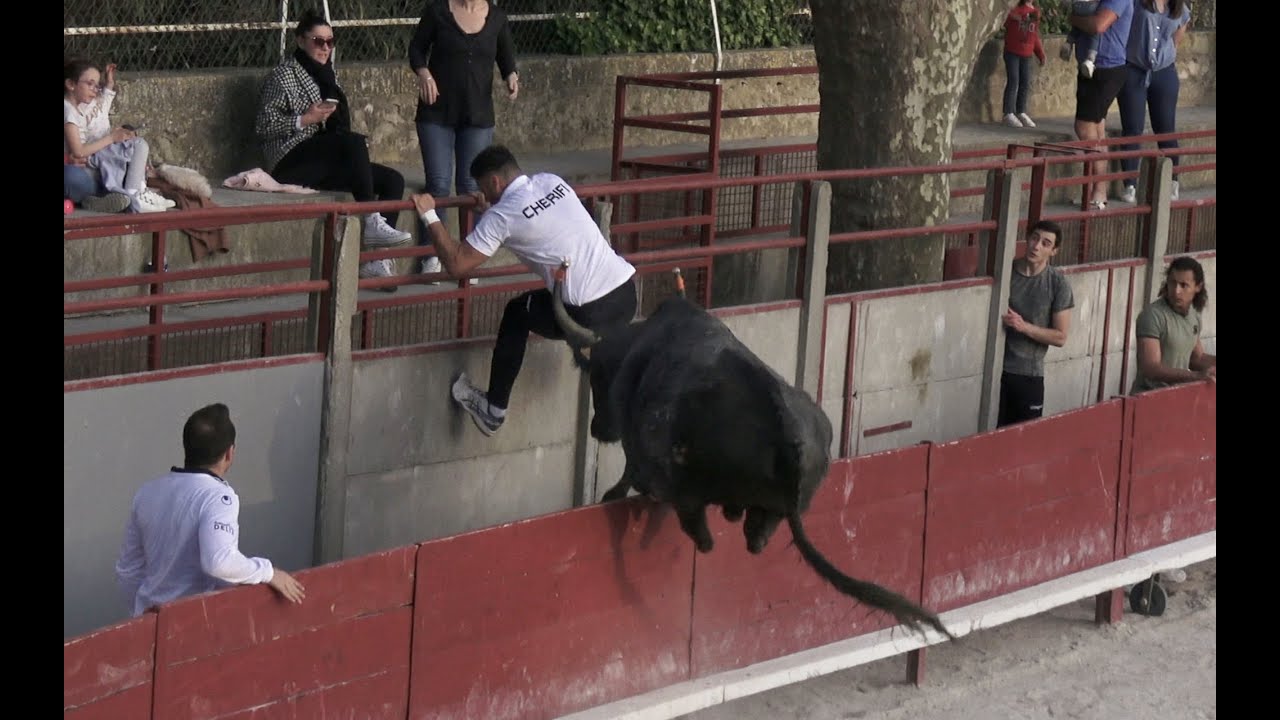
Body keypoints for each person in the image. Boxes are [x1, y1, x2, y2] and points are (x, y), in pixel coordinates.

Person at [411, 145, 637, 436]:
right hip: (625, 291)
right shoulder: (551, 181)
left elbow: (457, 265)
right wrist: (493, 209)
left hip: (586, 311)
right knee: (606, 358)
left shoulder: (501, 217)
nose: (486, 196)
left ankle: (493, 410)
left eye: (484, 188)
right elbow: (537, 217)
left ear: (494, 182)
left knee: (517, 313)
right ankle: (621, 409)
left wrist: (430, 215)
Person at [255, 9, 411, 283]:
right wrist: (305, 119)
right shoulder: (283, 75)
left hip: (324, 158)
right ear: (301, 41)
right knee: (352, 143)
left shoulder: (329, 76)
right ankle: (370, 221)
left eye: (330, 42)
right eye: (319, 41)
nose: (325, 48)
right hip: (291, 159)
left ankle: (377, 260)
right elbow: (264, 125)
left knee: (393, 180)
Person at [115, 403, 306, 617]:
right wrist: (268, 572)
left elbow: (128, 570)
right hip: (196, 623)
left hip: (149, 623)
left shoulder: (146, 493)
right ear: (229, 454)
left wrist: (142, 615)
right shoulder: (218, 497)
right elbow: (219, 561)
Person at [408, 0, 519, 276]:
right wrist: (424, 73)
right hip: (436, 112)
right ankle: (432, 256)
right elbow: (416, 49)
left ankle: (469, 256)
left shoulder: (497, 18)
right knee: (439, 184)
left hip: (477, 114)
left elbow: (506, 57)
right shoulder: (438, 12)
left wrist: (511, 76)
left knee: (472, 187)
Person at [64, 56, 174, 214]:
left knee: (125, 153)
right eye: (90, 84)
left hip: (88, 169)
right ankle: (132, 195)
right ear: (70, 84)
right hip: (80, 172)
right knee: (70, 175)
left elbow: (102, 104)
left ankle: (101, 199)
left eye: (97, 85)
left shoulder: (79, 108)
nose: (95, 90)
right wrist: (111, 138)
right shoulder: (68, 110)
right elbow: (79, 151)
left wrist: (109, 84)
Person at [997, 220, 1075, 427]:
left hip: (1028, 374)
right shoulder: (1006, 272)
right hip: (995, 370)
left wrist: (1024, 326)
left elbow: (1060, 337)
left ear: (1054, 251)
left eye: (1045, 243)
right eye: (1034, 238)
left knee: (1024, 439)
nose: (1036, 246)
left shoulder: (1058, 284)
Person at [1116, 0, 1193, 205]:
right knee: (1132, 128)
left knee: (1166, 129)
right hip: (1134, 69)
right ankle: (1130, 184)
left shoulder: (1179, 9)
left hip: (1164, 72)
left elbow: (1176, 40)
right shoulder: (1137, 3)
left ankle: (1172, 181)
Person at [1067, 0, 1134, 210]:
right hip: (1092, 68)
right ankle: (1097, 191)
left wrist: (1073, 18)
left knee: (1084, 127)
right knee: (1097, 129)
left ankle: (1100, 188)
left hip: (1106, 68)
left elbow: (1098, 25)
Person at [1130, 255, 1215, 393]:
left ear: (1198, 287)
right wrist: (1196, 377)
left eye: (1184, 285)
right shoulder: (1153, 315)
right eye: (1172, 283)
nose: (1176, 291)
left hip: (1175, 398)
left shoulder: (1194, 316)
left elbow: (1196, 358)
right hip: (1148, 398)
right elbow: (1150, 368)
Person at [1001, 0, 1046, 128]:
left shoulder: (1035, 12)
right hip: (1012, 51)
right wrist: (1015, 16)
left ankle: (1021, 111)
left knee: (1025, 82)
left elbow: (1034, 35)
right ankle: (1008, 112)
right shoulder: (1015, 9)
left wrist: (1040, 54)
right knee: (1013, 80)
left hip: (1027, 54)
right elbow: (1005, 20)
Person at [1061, 1, 1102, 79]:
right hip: (1090, 6)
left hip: (1076, 5)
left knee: (1077, 27)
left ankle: (1068, 44)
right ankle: (1090, 60)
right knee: (1094, 33)